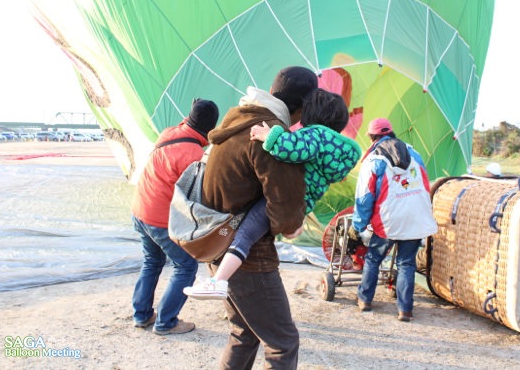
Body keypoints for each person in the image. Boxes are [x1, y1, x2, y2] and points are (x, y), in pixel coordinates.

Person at [184, 89, 361, 300]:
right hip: (304, 201)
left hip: (290, 196)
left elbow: (292, 149)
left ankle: (218, 281)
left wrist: (268, 135)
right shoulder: (342, 149)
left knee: (245, 235)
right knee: (253, 232)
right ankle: (292, 227)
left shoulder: (318, 135)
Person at [199, 66, 317, 369]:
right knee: (282, 343)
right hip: (250, 257)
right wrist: (294, 222)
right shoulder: (272, 135)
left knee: (244, 334)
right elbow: (288, 213)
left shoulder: (237, 118)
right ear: (304, 104)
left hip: (218, 244)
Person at [131, 98, 219, 335]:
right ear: (211, 129)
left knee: (152, 261)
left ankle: (142, 315)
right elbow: (198, 197)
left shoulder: (168, 133)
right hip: (160, 221)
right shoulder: (193, 155)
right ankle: (166, 322)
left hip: (140, 211)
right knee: (186, 266)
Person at [352, 118, 437, 322]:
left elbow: (364, 197)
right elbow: (425, 184)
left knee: (373, 259)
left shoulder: (373, 160)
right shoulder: (414, 153)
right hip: (417, 216)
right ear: (391, 132)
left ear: (372, 137)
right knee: (406, 263)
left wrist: (359, 225)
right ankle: (405, 310)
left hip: (388, 220)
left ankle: (364, 300)